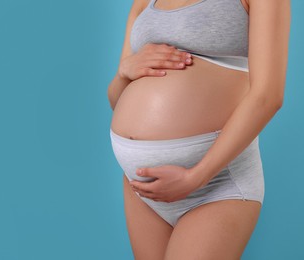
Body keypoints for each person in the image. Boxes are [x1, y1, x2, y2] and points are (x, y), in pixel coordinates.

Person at [107, 0, 290, 259]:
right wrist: (124, 72)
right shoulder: (144, 2)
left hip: (214, 183)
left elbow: (268, 96)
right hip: (141, 185)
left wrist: (196, 177)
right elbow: (117, 100)